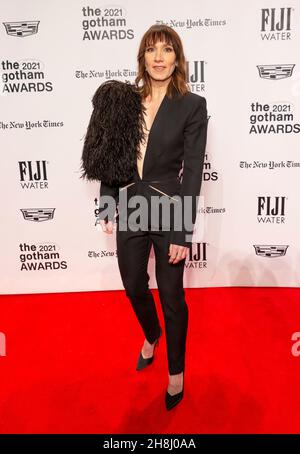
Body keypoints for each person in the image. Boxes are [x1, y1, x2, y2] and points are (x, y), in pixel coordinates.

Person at [98, 24, 208, 410]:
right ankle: (152, 333)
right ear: (142, 57)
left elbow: (193, 171)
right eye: (151, 50)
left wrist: (182, 231)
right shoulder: (124, 100)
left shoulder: (192, 105)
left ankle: (176, 373)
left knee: (173, 296)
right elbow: (110, 155)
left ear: (177, 58)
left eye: (166, 50)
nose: (159, 57)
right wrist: (107, 200)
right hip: (130, 204)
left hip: (169, 207)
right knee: (132, 285)